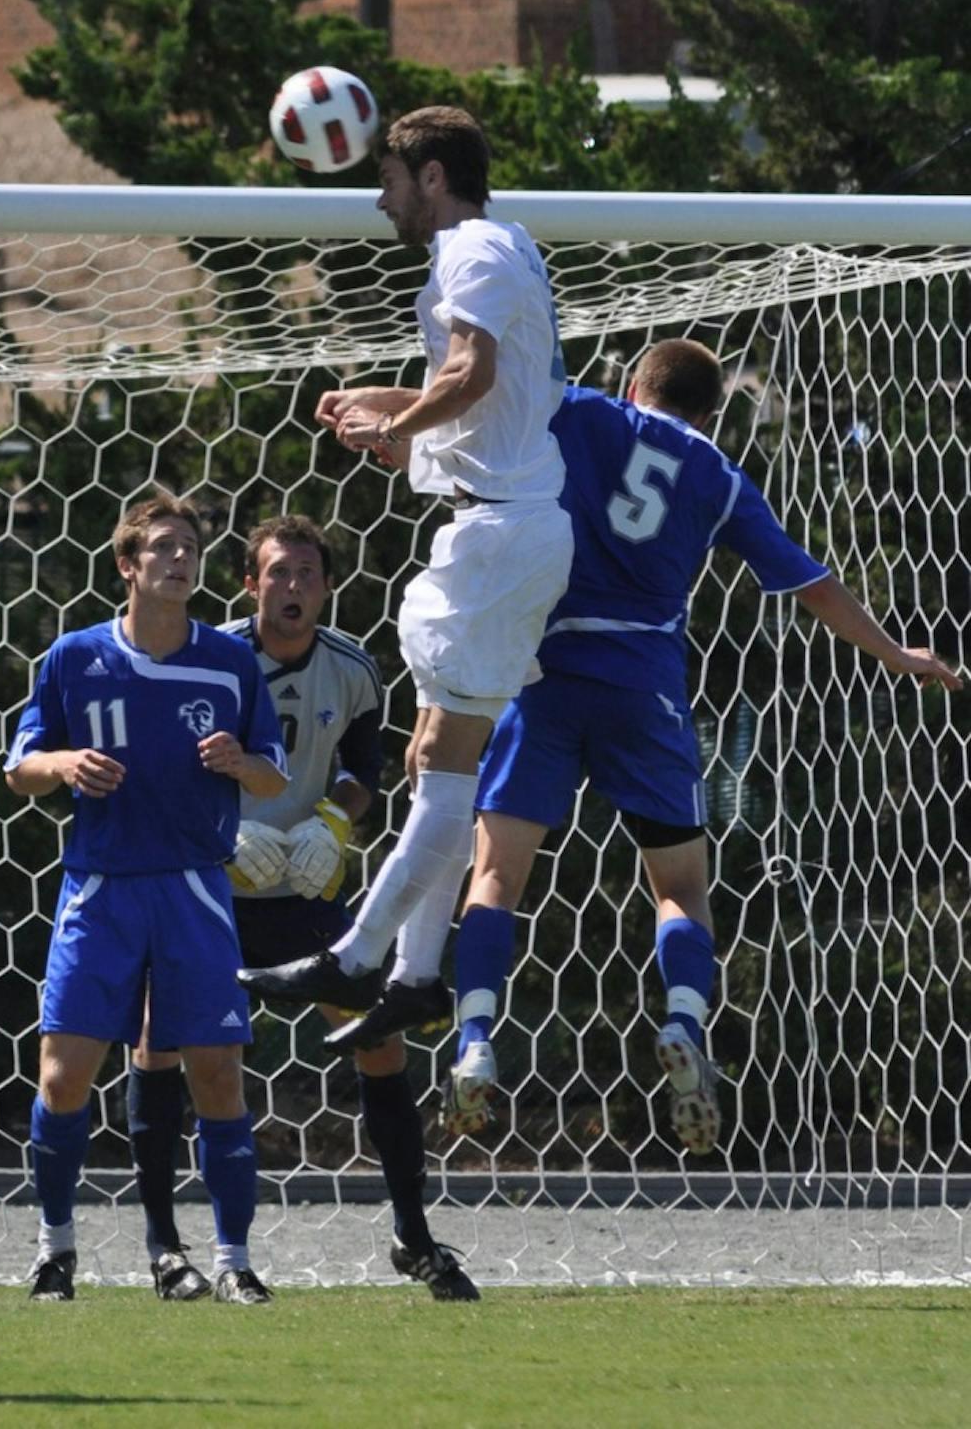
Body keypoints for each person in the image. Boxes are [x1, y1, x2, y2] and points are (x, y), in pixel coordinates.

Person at [437, 339, 964, 1146]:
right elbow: (810, 581)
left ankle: (474, 1040)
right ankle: (684, 1019)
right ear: (709, 411)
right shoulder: (718, 474)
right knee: (680, 884)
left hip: (543, 671)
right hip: (643, 683)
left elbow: (477, 396)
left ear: (633, 383)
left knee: (496, 874)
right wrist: (896, 653)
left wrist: (387, 416)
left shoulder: (583, 411)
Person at [239, 106, 574, 1056]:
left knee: (446, 766)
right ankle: (417, 977)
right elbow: (482, 394)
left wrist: (402, 424)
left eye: (389, 181)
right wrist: (379, 405)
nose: (384, 201)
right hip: (498, 528)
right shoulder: (493, 251)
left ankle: (358, 954)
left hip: (503, 534)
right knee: (436, 760)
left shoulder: (472, 248)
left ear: (431, 176)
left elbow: (468, 376)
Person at [128, 514, 479, 1302]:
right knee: (166, 1043)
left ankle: (413, 1238)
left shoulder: (355, 669)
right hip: (213, 886)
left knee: (380, 1045)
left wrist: (334, 820)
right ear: (250, 585)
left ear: (326, 586)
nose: (293, 587)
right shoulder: (204, 659)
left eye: (307, 574)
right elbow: (165, 770)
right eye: (277, 573)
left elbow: (364, 772)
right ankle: (164, 1247)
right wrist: (226, 833)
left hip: (311, 887)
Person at [4, 492, 289, 1302]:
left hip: (196, 889)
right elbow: (15, 768)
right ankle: (55, 1250)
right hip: (100, 888)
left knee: (219, 1079)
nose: (179, 560)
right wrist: (62, 765)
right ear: (128, 564)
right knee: (62, 1077)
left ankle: (235, 1262)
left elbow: (273, 773)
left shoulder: (231, 662)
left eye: (189, 548)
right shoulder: (74, 656)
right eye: (162, 547)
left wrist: (240, 760)